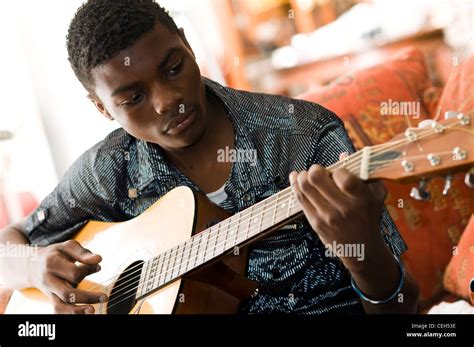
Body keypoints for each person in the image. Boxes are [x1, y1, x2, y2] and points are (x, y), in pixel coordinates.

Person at [0, 0, 418, 314]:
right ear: (102, 108)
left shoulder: (305, 138)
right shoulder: (109, 168)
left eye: (173, 68)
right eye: (133, 98)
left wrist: (363, 249)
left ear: (186, 41)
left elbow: (403, 306)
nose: (169, 102)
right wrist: (35, 266)